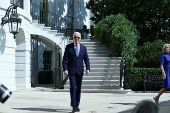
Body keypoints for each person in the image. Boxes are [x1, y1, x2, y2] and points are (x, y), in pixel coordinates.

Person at [62, 32, 90, 112]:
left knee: (78, 88)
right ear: (73, 38)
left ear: (80, 38)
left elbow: (86, 59)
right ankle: (73, 105)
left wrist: (88, 68)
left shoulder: (83, 48)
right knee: (73, 87)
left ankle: (77, 104)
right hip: (71, 71)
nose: (76, 39)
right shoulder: (69, 47)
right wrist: (65, 69)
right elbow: (64, 60)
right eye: (75, 37)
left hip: (80, 71)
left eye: (78, 37)